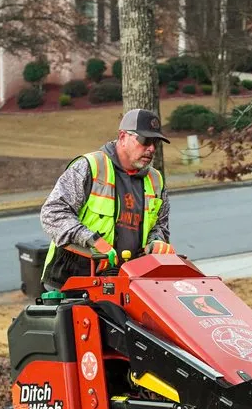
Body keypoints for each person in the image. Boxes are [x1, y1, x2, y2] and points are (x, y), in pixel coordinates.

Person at [41, 108, 175, 289]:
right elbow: (52, 213)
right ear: (122, 137)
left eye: (156, 143)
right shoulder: (90, 167)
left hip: (126, 282)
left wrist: (157, 241)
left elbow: (160, 225)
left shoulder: (156, 180)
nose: (151, 149)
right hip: (71, 280)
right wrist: (92, 240)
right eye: (145, 140)